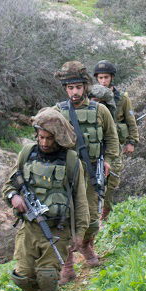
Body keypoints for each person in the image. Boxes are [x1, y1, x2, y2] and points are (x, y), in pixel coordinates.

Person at [3, 108, 89, 291]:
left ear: (58, 138)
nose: (43, 142)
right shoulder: (26, 153)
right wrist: (14, 197)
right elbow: (9, 184)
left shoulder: (71, 160)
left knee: (48, 275)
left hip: (57, 229)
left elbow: (80, 199)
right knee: (23, 276)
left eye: (48, 138)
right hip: (28, 229)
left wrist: (80, 233)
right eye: (40, 137)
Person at [55, 60, 120, 268]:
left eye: (78, 87)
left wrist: (108, 161)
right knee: (65, 217)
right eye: (70, 88)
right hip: (66, 174)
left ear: (85, 87)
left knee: (92, 218)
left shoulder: (100, 110)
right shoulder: (56, 112)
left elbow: (111, 138)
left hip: (91, 171)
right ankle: (66, 263)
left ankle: (85, 244)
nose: (74, 92)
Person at [93, 60, 138, 220]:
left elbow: (130, 121)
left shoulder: (122, 98)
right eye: (100, 78)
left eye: (106, 77)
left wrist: (132, 142)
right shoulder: (92, 97)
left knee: (112, 180)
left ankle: (105, 215)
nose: (103, 81)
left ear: (112, 78)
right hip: (95, 144)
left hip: (115, 145)